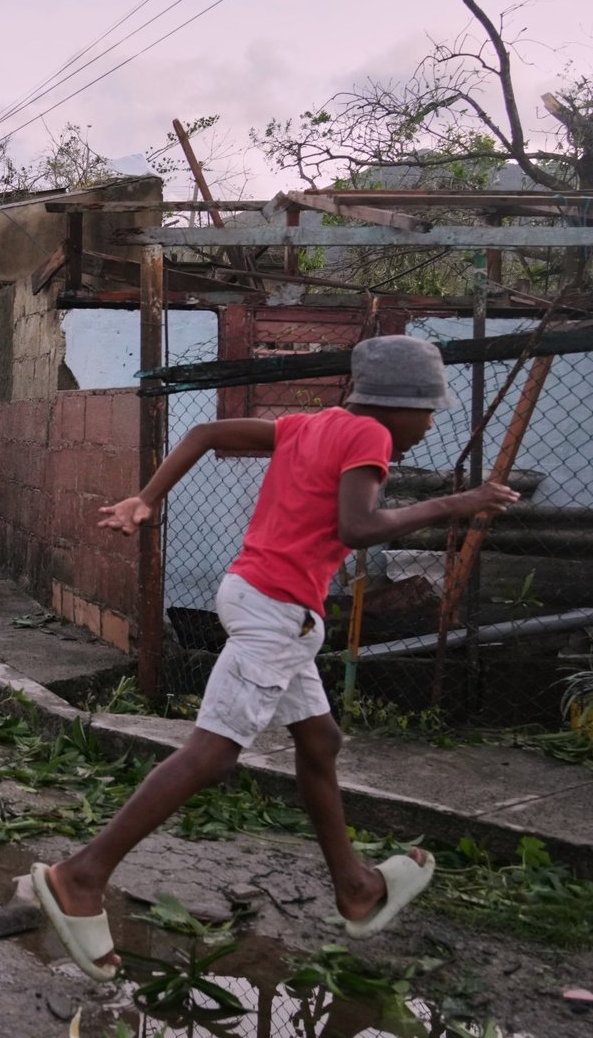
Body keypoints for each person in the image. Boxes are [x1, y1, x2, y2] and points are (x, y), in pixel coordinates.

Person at [31, 335, 518, 982]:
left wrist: (148, 497)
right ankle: (81, 876)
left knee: (320, 742)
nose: (430, 426)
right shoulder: (369, 435)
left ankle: (355, 887)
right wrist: (457, 503)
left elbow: (205, 433)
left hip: (263, 598)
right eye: (428, 411)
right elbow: (357, 529)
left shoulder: (310, 425)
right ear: (397, 403)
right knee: (212, 754)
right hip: (276, 612)